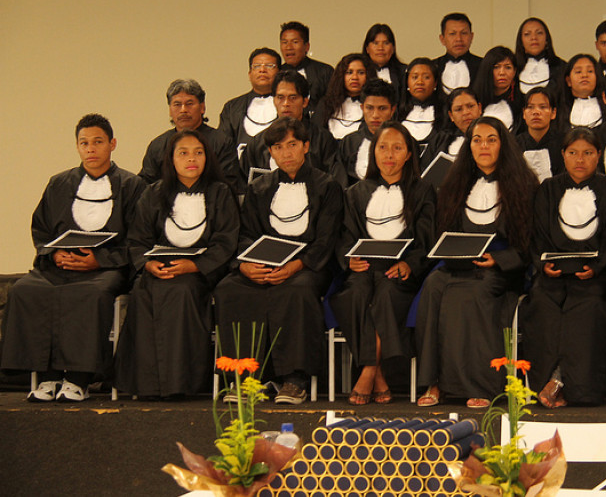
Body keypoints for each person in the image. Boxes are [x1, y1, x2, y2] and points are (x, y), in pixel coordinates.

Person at [0, 114, 146, 402]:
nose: (90, 149)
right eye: (84, 143)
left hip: (105, 268)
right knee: (25, 290)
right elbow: (40, 228)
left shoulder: (132, 186)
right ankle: (47, 377)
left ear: (112, 144)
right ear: (77, 147)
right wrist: (54, 254)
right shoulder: (58, 184)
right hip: (60, 266)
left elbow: (137, 239)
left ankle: (79, 378)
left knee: (90, 294)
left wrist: (98, 261)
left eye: (98, 142)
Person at [214, 117, 343, 405]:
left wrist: (295, 266)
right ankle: (243, 377)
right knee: (230, 289)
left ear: (306, 146)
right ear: (270, 152)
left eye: (292, 145)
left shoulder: (327, 186)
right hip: (262, 265)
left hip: (307, 266)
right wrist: (246, 266)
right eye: (278, 147)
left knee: (296, 291)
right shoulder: (259, 188)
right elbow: (245, 234)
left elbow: (325, 239)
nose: (286, 153)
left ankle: (294, 380)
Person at [416, 117, 539, 408]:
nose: (483, 145)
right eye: (477, 139)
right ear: (468, 145)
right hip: (460, 262)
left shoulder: (525, 185)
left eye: (491, 139)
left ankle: (482, 383)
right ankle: (434, 381)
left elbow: (531, 241)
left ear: (503, 145)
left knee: (475, 291)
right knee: (433, 285)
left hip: (503, 267)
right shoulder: (454, 184)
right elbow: (443, 231)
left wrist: (499, 259)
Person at [116, 130, 240, 399]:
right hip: (158, 268)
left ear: (208, 157)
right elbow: (137, 239)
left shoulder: (220, 193)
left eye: (198, 152)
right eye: (183, 153)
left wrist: (194, 266)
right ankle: (147, 385)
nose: (191, 159)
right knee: (142, 291)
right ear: (171, 159)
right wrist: (147, 265)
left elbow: (225, 242)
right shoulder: (154, 193)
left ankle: (179, 384)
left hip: (200, 272)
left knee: (181, 291)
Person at [330, 122, 436, 405]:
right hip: (364, 269)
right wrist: (348, 260)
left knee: (387, 293)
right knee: (355, 293)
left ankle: (367, 371)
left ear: (409, 154)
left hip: (399, 271)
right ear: (372, 152)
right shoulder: (355, 193)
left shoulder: (423, 191)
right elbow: (344, 237)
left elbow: (427, 238)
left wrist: (410, 265)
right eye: (383, 147)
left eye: (397, 148)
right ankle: (376, 372)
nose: (389, 154)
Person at [523, 127, 606, 407]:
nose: (580, 159)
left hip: (595, 275)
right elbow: (538, 235)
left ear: (599, 155)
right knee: (542, 303)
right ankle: (544, 381)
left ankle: (566, 384)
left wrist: (598, 267)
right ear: (563, 155)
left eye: (588, 153)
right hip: (553, 275)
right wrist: (544, 265)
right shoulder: (548, 189)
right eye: (573, 153)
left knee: (587, 307)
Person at [139, 79, 243, 192]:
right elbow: (146, 185)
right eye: (177, 104)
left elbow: (229, 185)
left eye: (189, 104)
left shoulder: (221, 141)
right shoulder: (158, 145)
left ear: (202, 107)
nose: (183, 110)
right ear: (170, 110)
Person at [239, 70, 341, 183]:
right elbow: (244, 184)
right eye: (280, 97)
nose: (286, 103)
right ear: (274, 100)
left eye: (292, 97)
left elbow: (335, 183)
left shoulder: (323, 139)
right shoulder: (258, 143)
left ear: (305, 102)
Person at [217, 48, 281, 159]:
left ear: (280, 73)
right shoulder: (232, 107)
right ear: (249, 74)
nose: (262, 70)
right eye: (256, 66)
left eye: (269, 66)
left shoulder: (288, 105)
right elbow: (224, 146)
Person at [338, 80, 398, 185]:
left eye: (382, 108)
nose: (375, 115)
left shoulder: (405, 142)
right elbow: (341, 182)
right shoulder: (349, 143)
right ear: (362, 108)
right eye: (369, 108)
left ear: (392, 110)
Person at [315, 54, 375, 140]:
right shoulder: (326, 103)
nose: (354, 77)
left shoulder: (375, 106)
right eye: (349, 72)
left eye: (361, 72)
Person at [279, 21, 334, 111]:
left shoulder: (324, 71)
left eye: (295, 42)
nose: (289, 47)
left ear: (307, 46)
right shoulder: (277, 73)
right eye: (284, 42)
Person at [516, 87, 565, 182]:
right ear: (524, 113)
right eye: (530, 107)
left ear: (553, 113)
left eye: (543, 107)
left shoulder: (564, 143)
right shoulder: (514, 144)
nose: (536, 112)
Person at [471, 46, 520, 130]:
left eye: (508, 67)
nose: (502, 73)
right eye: (496, 67)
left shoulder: (522, 102)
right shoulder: (473, 100)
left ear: (514, 71)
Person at [515, 17, 566, 95]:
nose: (534, 38)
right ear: (521, 41)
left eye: (539, 33)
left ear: (547, 39)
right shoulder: (512, 69)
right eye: (527, 34)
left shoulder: (562, 68)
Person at [398, 58, 443, 146]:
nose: (420, 82)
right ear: (407, 82)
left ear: (435, 83)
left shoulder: (445, 112)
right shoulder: (397, 111)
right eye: (415, 77)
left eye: (426, 77)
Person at [435, 13, 482, 95]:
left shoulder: (484, 65)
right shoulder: (432, 67)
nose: (459, 39)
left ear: (471, 37)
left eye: (464, 33)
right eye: (452, 34)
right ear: (442, 39)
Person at [557, 53, 606, 131]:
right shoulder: (558, 110)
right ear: (568, 80)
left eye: (590, 71)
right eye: (578, 72)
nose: (584, 75)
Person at [363, 23, 405, 101]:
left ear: (393, 48)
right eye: (375, 43)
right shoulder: (359, 72)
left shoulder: (404, 72)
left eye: (386, 43)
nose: (380, 48)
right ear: (367, 48)